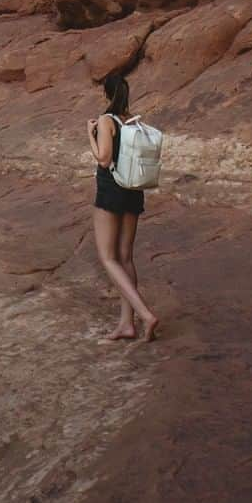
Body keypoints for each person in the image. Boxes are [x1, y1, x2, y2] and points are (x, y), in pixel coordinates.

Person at [87, 73, 159, 342]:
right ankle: (126, 324)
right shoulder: (131, 120)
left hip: (111, 191)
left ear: (106, 94)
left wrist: (90, 136)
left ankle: (145, 314)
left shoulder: (107, 121)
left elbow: (104, 159)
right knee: (126, 256)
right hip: (133, 190)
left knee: (108, 258)